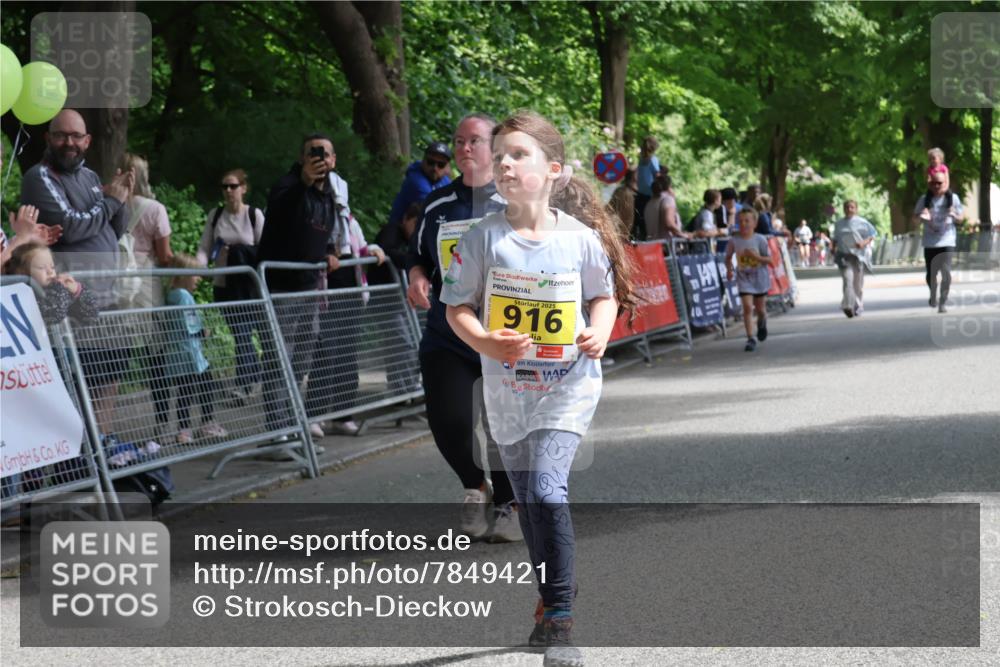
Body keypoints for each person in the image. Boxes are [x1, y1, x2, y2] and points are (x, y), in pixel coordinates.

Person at [442, 111, 636, 664]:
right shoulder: (483, 240)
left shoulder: (579, 240)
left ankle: (560, 617)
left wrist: (598, 331)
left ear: (554, 169)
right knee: (528, 504)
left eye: (518, 154)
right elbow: (457, 308)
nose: (503, 162)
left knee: (548, 491)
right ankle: (554, 592)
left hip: (567, 387)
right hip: (507, 394)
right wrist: (487, 343)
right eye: (499, 154)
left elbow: (604, 295)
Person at [405, 113, 519, 542]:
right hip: (448, 333)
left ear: (496, 148)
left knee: (502, 426)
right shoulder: (437, 204)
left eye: (474, 141)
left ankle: (510, 503)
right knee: (449, 421)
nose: (465, 148)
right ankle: (476, 486)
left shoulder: (515, 202)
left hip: (503, 335)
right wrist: (417, 276)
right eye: (458, 141)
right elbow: (416, 256)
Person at [19, 109, 134, 441]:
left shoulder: (90, 178)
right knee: (77, 382)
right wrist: (111, 200)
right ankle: (77, 456)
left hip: (107, 297)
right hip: (70, 300)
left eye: (75, 136)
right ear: (48, 138)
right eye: (60, 135)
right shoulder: (39, 177)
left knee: (110, 374)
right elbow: (70, 226)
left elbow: (115, 227)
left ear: (87, 141)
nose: (68, 142)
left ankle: (102, 446)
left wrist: (121, 200)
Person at [305, 150, 385, 438]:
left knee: (347, 354)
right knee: (324, 353)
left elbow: (361, 246)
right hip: (325, 294)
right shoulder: (314, 216)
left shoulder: (349, 220)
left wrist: (373, 251)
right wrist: (325, 255)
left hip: (351, 292)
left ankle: (343, 413)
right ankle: (314, 413)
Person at [197, 168, 265, 403]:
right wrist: (195, 270)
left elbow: (265, 250)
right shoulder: (216, 215)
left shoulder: (254, 215)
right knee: (241, 333)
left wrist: (237, 252)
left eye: (233, 186)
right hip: (224, 285)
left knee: (255, 334)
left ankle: (250, 381)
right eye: (224, 186)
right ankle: (249, 381)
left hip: (251, 286)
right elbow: (205, 248)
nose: (228, 191)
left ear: (243, 188)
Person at [163, 254, 228, 444]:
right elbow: (189, 322)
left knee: (185, 390)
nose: (198, 279)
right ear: (184, 275)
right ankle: (206, 423)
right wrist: (203, 331)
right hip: (190, 352)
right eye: (195, 275)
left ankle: (184, 429)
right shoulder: (184, 296)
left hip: (177, 352)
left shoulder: (171, 294)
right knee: (205, 385)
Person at [3, 242, 98, 326]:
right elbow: (54, 313)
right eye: (41, 267)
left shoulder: (58, 292)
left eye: (52, 267)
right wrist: (59, 287)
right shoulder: (23, 296)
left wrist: (77, 291)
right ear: (22, 272)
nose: (50, 272)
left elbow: (90, 316)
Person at [914, 170, 963, 313]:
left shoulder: (953, 199)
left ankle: (943, 301)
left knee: (946, 272)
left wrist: (955, 214)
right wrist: (921, 216)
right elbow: (915, 221)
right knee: (931, 274)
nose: (936, 186)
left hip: (947, 240)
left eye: (939, 183)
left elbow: (961, 218)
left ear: (945, 183)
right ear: (929, 184)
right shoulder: (924, 200)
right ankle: (933, 293)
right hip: (930, 242)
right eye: (933, 183)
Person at [726, 208, 771, 352]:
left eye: (747, 221)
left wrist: (756, 257)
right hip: (744, 278)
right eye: (740, 221)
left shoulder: (760, 239)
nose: (743, 224)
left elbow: (769, 260)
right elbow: (728, 258)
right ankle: (750, 338)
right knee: (747, 307)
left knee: (761, 310)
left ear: (754, 223)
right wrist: (730, 270)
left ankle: (762, 323)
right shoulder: (734, 240)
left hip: (759, 278)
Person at [387, 142, 453, 227]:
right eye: (430, 162)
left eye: (441, 165)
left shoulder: (443, 180)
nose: (435, 168)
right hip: (400, 232)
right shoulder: (416, 182)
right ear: (423, 160)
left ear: (447, 167)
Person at [832, 200, 877, 318]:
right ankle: (848, 306)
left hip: (858, 256)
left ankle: (858, 305)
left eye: (852, 207)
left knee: (857, 284)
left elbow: (872, 234)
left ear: (856, 209)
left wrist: (863, 243)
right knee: (848, 280)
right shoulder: (839, 223)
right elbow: (835, 238)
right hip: (844, 256)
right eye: (847, 207)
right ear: (843, 209)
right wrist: (833, 249)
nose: (849, 209)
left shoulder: (862, 222)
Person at [644, 174, 689, 241]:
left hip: (652, 245)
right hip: (666, 246)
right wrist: (683, 235)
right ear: (669, 186)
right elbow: (669, 223)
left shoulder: (650, 202)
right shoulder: (668, 200)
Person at [633, 135, 660, 240]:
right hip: (650, 195)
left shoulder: (641, 159)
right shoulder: (653, 159)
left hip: (640, 195)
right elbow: (657, 176)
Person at [606, 168, 636, 242]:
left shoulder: (620, 190)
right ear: (634, 178)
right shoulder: (626, 193)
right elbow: (627, 219)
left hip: (616, 234)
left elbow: (609, 208)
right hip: (622, 237)